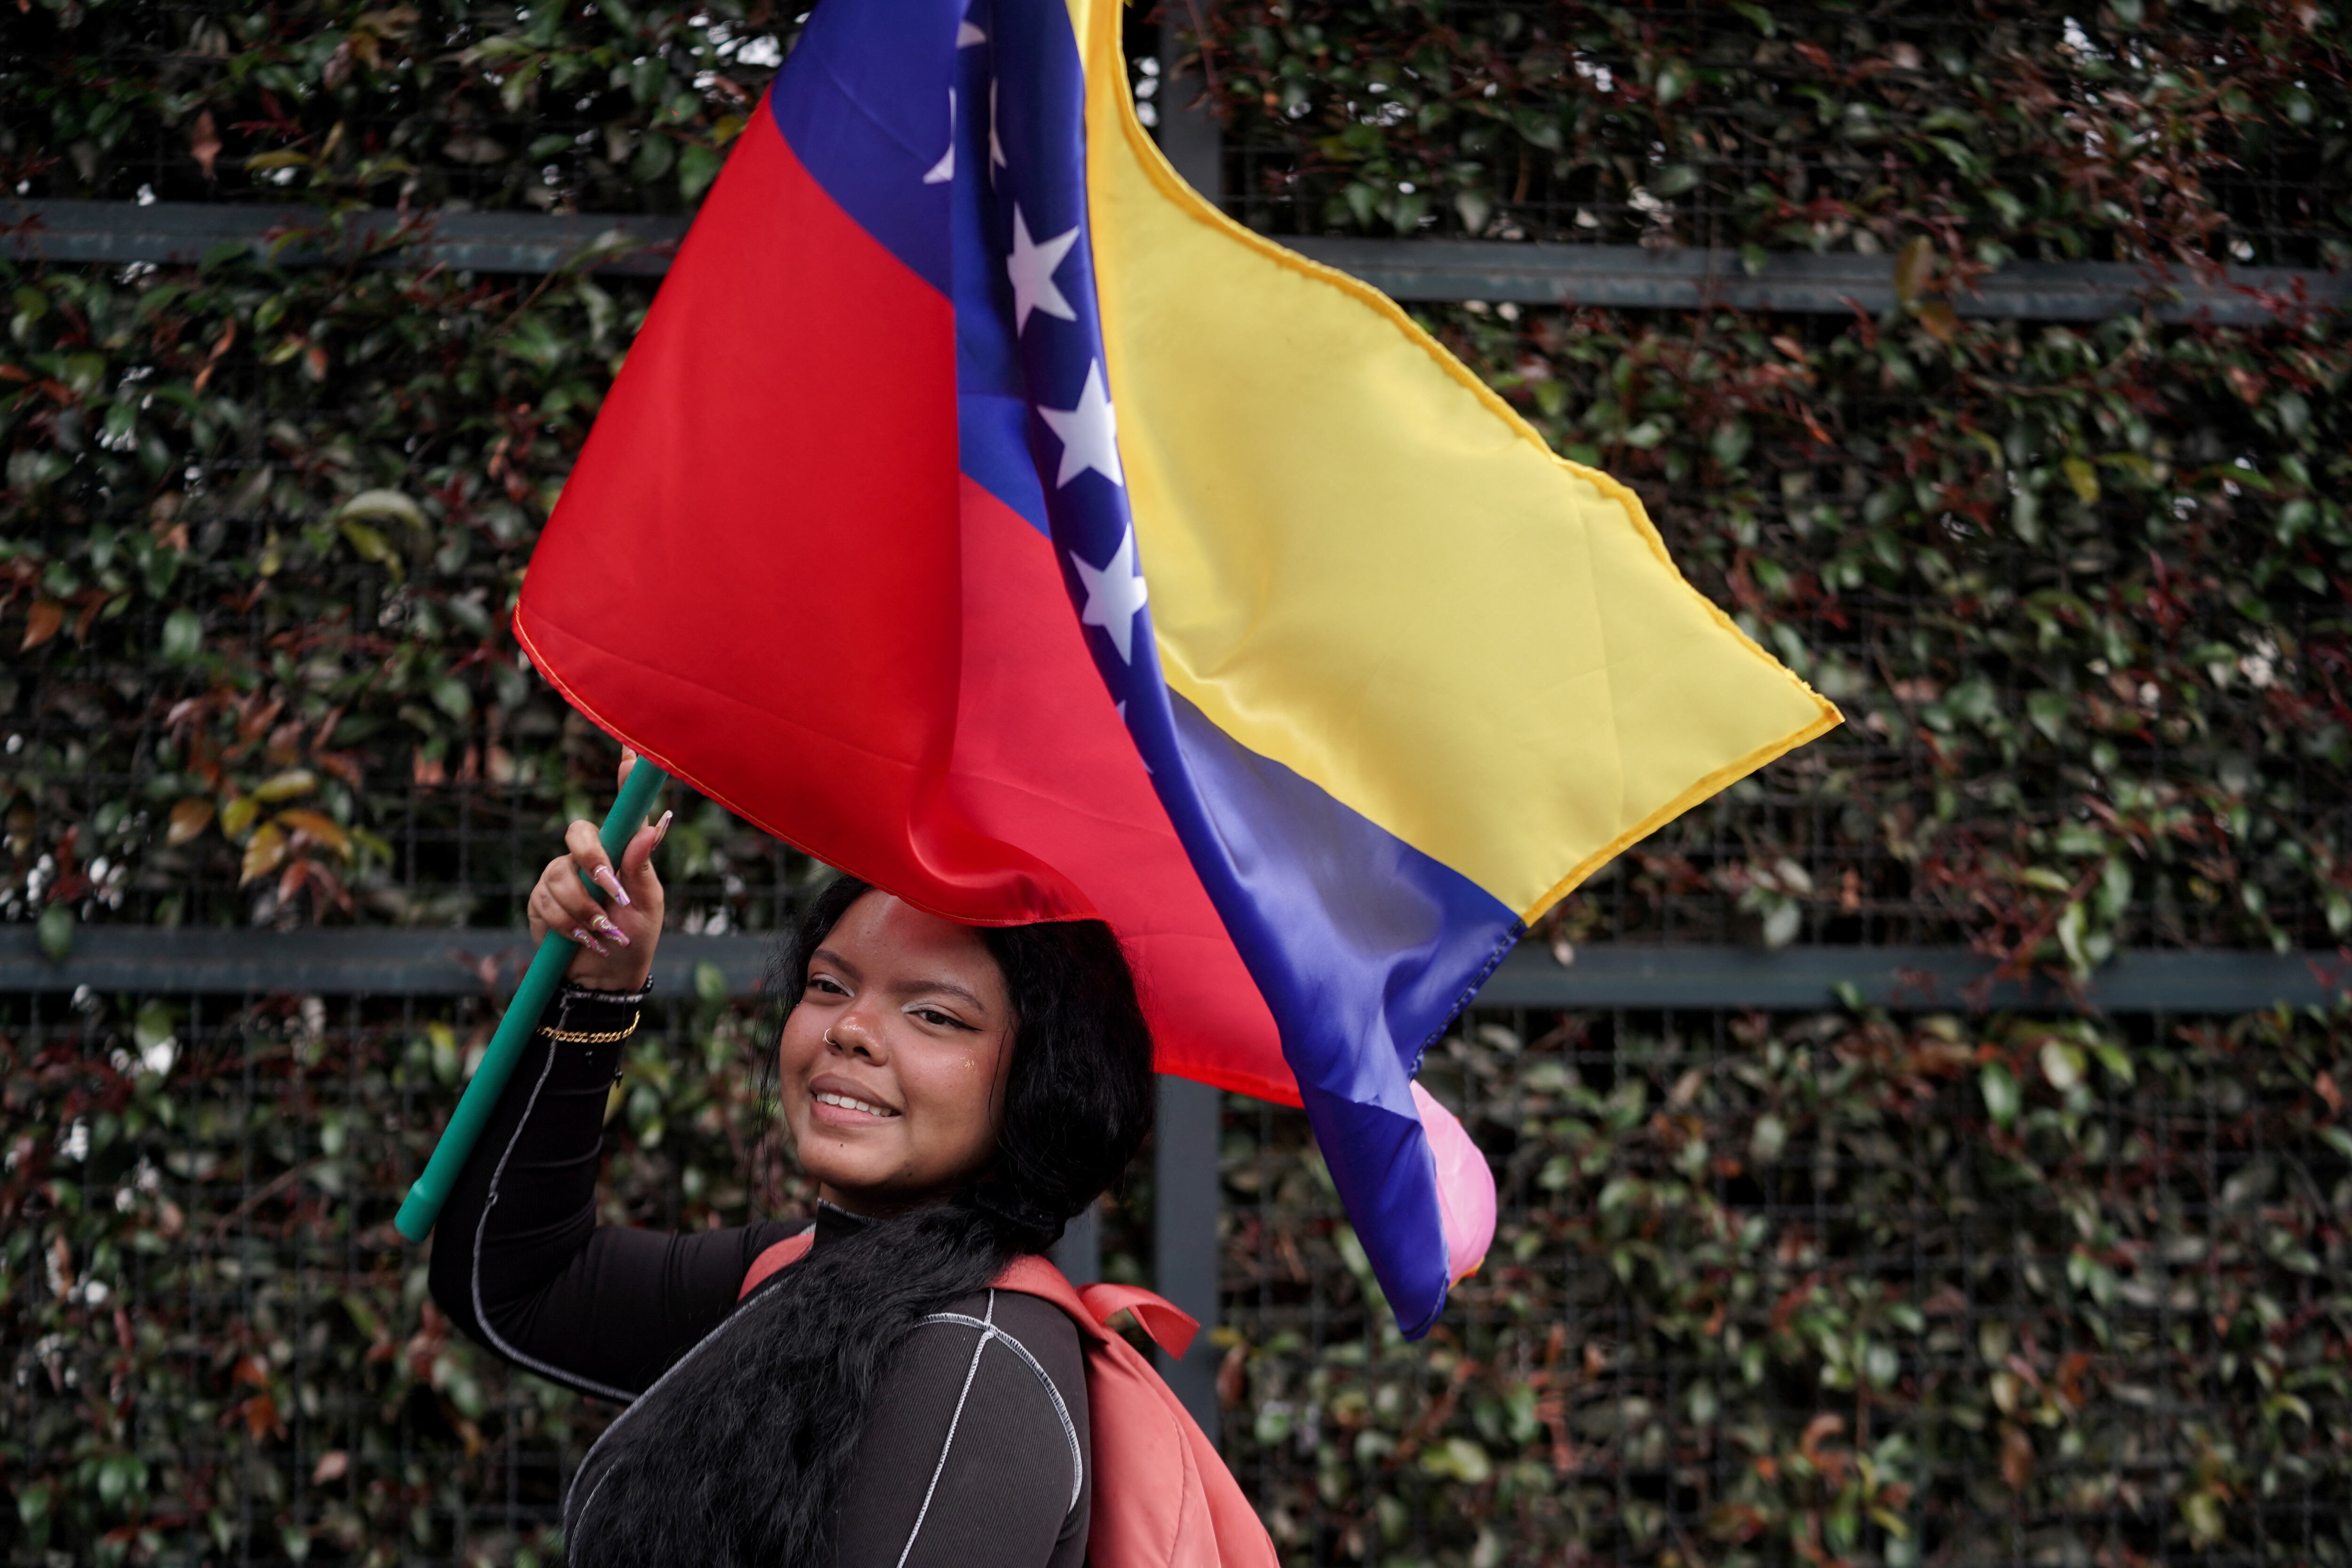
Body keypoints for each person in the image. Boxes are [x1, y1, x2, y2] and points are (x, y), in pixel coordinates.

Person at [427, 756, 1157, 1568]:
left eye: (935, 1015)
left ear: (1043, 1080)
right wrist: (598, 989)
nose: (850, 1028)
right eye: (827, 984)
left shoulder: (973, 1362)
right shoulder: (799, 1272)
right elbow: (517, 1287)